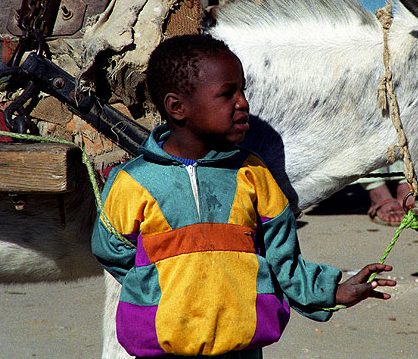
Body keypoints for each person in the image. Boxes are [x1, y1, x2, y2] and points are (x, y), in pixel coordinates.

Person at [91, 34, 396, 359]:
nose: (243, 103)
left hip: (241, 349)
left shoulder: (253, 175)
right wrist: (162, 284)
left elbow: (284, 261)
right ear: (177, 108)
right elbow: (111, 250)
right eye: (227, 94)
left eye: (242, 90)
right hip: (165, 349)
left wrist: (333, 290)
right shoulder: (133, 182)